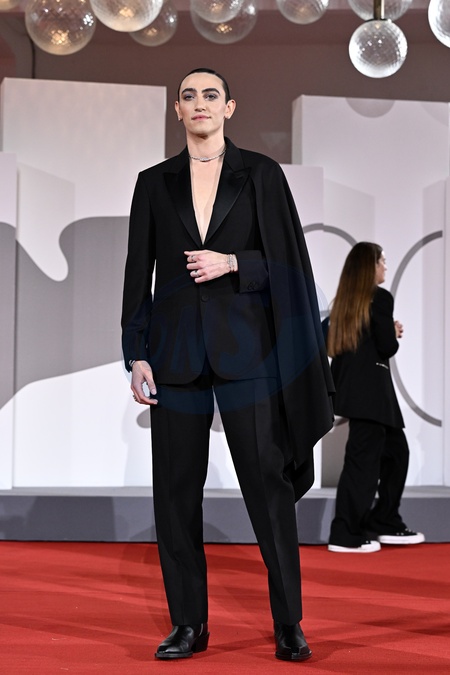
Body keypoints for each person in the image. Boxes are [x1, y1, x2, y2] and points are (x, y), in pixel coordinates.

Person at [121, 67, 334, 661]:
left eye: (210, 95)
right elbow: (137, 274)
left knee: (268, 489)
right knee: (175, 494)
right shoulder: (152, 183)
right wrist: (135, 352)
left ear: (229, 108)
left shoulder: (261, 174)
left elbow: (287, 264)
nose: (199, 103)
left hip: (249, 355)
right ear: (177, 111)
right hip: (174, 356)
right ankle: (188, 624)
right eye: (188, 96)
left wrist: (233, 262)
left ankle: (288, 622)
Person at [325, 242, 425, 553]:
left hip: (360, 393)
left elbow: (336, 343)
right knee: (363, 464)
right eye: (382, 261)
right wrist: (391, 332)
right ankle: (345, 533)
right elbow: (386, 346)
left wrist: (383, 329)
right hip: (371, 395)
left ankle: (384, 521)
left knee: (396, 453)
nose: (385, 267)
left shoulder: (346, 302)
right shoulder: (380, 298)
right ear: (370, 266)